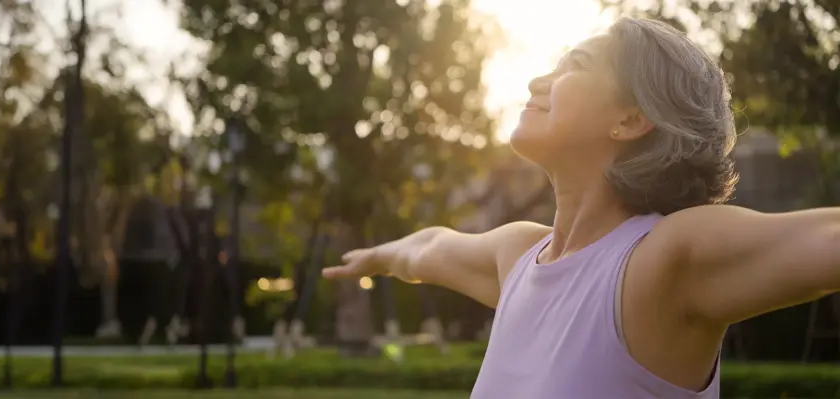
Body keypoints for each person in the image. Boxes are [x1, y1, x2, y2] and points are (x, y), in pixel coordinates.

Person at [322, 16, 840, 399]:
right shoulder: (520, 256)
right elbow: (431, 247)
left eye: (576, 66)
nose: (536, 82)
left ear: (631, 118)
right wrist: (379, 257)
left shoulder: (661, 260)